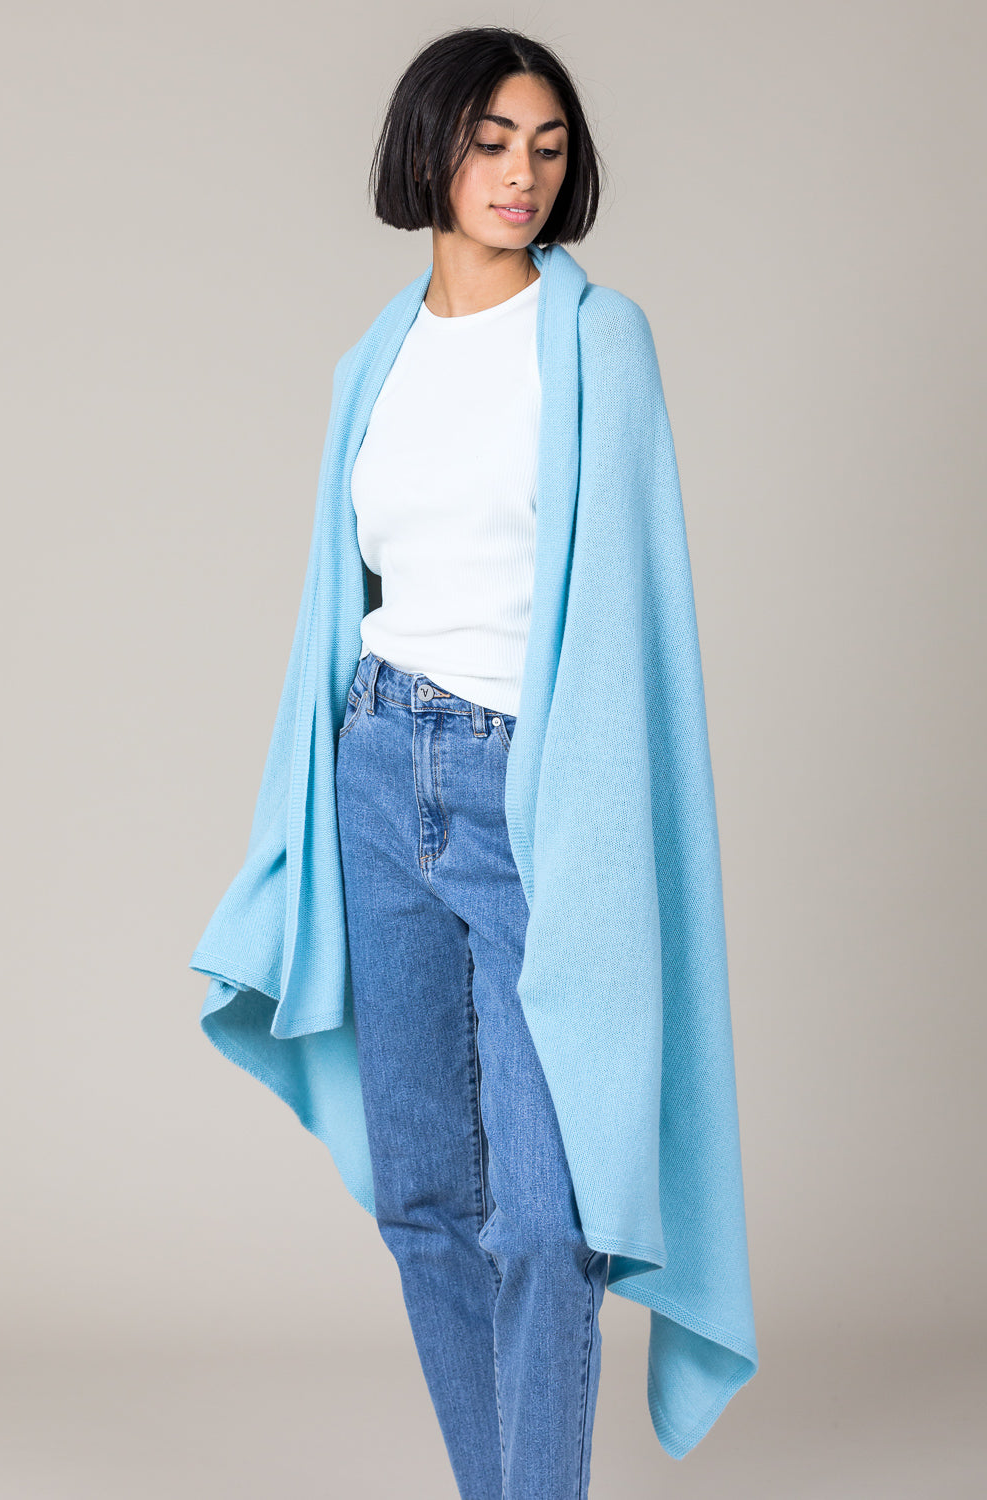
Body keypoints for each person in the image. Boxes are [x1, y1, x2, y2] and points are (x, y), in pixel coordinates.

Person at [190, 24, 758, 1500]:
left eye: (548, 148)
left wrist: (578, 825)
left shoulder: (598, 341)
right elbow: (344, 602)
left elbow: (633, 623)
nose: (521, 174)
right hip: (379, 772)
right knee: (426, 1198)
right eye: (492, 141)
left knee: (545, 1222)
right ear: (429, 148)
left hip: (533, 794)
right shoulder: (370, 361)